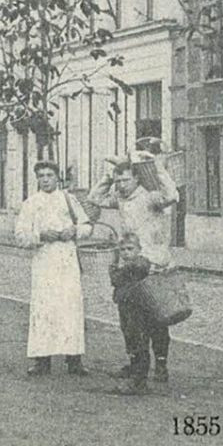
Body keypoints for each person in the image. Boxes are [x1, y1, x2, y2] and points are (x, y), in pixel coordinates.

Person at [86, 154, 181, 382]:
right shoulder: (119, 198)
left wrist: (158, 168)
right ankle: (135, 362)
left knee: (157, 317)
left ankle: (160, 365)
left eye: (125, 180)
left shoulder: (149, 197)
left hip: (153, 263)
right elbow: (94, 197)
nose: (121, 185)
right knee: (129, 320)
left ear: (136, 179)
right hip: (130, 266)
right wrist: (108, 177)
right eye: (119, 181)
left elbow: (172, 195)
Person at [12, 161, 88, 376]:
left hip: (67, 261)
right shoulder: (30, 204)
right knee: (44, 308)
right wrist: (40, 235)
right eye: (41, 176)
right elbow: (20, 236)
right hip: (44, 262)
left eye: (50, 175)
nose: (45, 179)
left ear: (58, 177)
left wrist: (74, 231)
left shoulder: (69, 200)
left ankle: (74, 359)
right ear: (37, 179)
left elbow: (87, 225)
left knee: (70, 307)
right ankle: (41, 360)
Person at [109, 233, 164, 395]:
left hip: (138, 311)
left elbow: (117, 278)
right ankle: (134, 374)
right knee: (130, 341)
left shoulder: (139, 264)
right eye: (123, 250)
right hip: (126, 309)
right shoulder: (127, 266)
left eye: (130, 249)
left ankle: (140, 380)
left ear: (139, 250)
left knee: (140, 343)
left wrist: (116, 266)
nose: (126, 252)